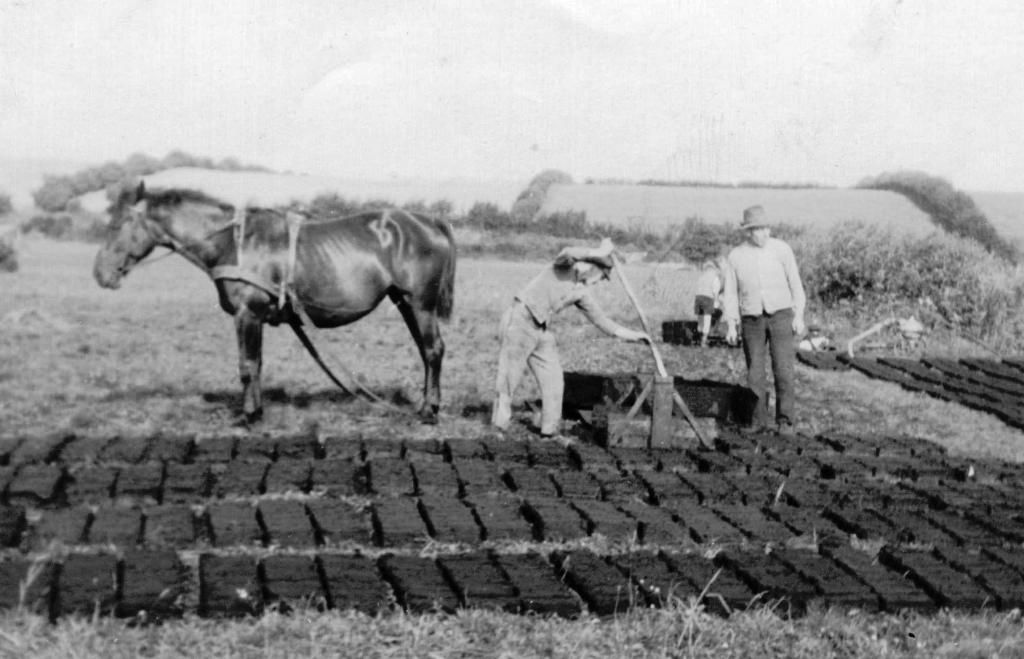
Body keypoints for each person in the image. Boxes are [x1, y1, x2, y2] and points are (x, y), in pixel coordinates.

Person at [491, 238, 651, 438]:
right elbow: (568, 251)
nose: (601, 280)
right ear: (593, 267)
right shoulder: (564, 267)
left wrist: (634, 336)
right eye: (603, 275)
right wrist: (600, 250)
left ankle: (550, 432)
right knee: (509, 378)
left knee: (555, 380)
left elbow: (602, 321)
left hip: (541, 329)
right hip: (520, 320)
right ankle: (498, 428)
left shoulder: (581, 293)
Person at [722, 206, 806, 433]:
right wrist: (731, 324)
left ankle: (785, 421)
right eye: (759, 230)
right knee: (755, 373)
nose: (765, 233)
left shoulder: (782, 250)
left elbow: (796, 284)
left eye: (767, 228)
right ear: (748, 232)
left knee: (783, 369)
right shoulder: (736, 256)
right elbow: (730, 293)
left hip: (781, 316)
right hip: (751, 321)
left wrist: (798, 315)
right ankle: (757, 421)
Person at [693, 259, 723, 347]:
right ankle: (704, 340)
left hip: (698, 298)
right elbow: (715, 291)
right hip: (707, 298)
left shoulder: (702, 276)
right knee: (707, 320)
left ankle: (698, 338)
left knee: (700, 320)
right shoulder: (715, 277)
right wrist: (717, 301)